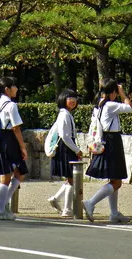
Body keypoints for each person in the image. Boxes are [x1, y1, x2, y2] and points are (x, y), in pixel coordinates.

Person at [83, 79, 132, 223]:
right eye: (116, 93)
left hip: (106, 140)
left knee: (114, 178)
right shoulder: (110, 105)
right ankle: (91, 202)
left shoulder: (98, 104)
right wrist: (123, 93)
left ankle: (114, 213)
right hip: (112, 141)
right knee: (117, 182)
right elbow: (130, 108)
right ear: (112, 92)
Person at [0, 77, 28, 220]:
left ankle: (2, 204)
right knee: (6, 177)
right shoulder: (11, 105)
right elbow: (16, 128)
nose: (16, 89)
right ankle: (0, 210)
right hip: (9, 141)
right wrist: (23, 147)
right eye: (14, 86)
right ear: (7, 89)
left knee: (18, 173)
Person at [47, 89, 82, 217]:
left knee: (70, 178)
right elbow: (65, 136)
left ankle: (56, 198)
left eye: (74, 98)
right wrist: (77, 150)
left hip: (66, 147)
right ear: (63, 100)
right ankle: (67, 209)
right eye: (69, 98)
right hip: (66, 148)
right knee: (72, 179)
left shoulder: (66, 114)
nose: (73, 101)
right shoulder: (64, 115)